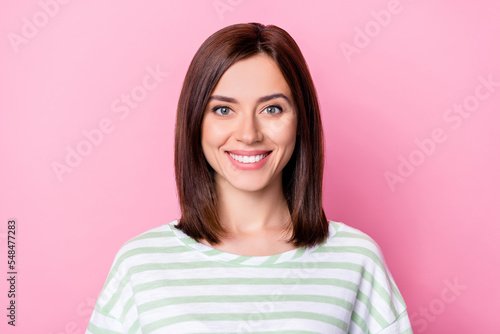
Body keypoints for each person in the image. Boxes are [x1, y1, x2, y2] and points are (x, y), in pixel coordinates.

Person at [86, 22, 413, 333]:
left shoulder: (355, 259)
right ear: (195, 122)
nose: (248, 134)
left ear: (301, 121)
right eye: (223, 110)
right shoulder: (140, 264)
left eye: (271, 109)